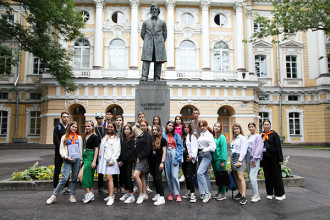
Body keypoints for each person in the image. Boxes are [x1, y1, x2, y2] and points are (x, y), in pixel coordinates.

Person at [47, 122, 83, 205]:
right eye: (73, 127)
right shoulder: (64, 137)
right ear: (70, 127)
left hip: (76, 159)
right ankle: (54, 196)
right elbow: (62, 148)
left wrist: (81, 160)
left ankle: (72, 195)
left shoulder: (79, 138)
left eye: (76, 127)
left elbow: (80, 148)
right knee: (64, 178)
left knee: (74, 178)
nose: (74, 128)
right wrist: (65, 156)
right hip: (67, 159)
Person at [140, 4, 167, 81]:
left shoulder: (162, 22)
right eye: (152, 9)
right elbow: (142, 34)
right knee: (146, 60)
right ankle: (144, 76)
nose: (154, 10)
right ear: (150, 11)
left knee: (158, 61)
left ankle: (157, 77)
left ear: (158, 11)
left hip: (159, 44)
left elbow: (165, 34)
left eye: (156, 9)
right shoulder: (145, 22)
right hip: (148, 44)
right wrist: (148, 41)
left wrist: (160, 42)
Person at [261, 119, 286, 201]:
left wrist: (280, 159)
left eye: (267, 124)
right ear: (263, 126)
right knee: (267, 176)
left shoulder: (274, 134)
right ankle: (270, 193)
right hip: (265, 159)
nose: (266, 126)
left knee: (276, 176)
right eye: (265, 124)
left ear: (270, 125)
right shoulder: (262, 135)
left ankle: (280, 193)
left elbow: (279, 147)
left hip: (274, 158)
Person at [98, 122, 121, 206]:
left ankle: (111, 197)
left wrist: (112, 160)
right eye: (108, 127)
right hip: (104, 158)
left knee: (109, 177)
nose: (109, 128)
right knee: (107, 178)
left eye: (111, 127)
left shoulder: (116, 138)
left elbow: (117, 150)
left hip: (111, 159)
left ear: (114, 128)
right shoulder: (105, 136)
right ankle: (110, 194)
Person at [78, 120, 99, 204]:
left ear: (92, 127)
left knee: (80, 176)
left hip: (90, 156)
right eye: (86, 126)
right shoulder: (85, 136)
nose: (87, 127)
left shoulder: (95, 136)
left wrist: (94, 161)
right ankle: (91, 194)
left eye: (89, 126)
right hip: (85, 156)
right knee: (89, 176)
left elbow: (96, 149)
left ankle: (88, 193)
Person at [132, 112, 153, 194]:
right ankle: (144, 194)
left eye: (144, 125)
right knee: (142, 176)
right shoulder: (142, 134)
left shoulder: (147, 135)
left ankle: (140, 194)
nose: (142, 127)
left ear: (147, 127)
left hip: (143, 159)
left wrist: (139, 157)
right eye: (141, 126)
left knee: (135, 175)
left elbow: (147, 149)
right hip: (139, 157)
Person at [163, 120, 183, 202]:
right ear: (166, 126)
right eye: (169, 125)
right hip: (166, 153)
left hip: (174, 153)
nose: (170, 127)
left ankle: (177, 193)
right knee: (168, 175)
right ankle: (170, 192)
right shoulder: (163, 135)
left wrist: (177, 159)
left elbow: (180, 148)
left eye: (172, 126)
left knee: (174, 176)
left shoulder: (177, 135)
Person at [197, 120, 216, 203]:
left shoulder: (209, 135)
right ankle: (204, 193)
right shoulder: (202, 134)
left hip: (206, 155)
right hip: (200, 154)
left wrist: (205, 149)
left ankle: (207, 193)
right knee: (205, 175)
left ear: (206, 125)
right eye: (200, 126)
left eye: (203, 125)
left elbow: (213, 147)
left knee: (199, 173)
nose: (202, 127)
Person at [118, 124, 136, 204]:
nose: (126, 131)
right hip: (122, 161)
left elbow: (130, 151)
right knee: (124, 178)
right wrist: (120, 159)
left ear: (130, 130)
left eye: (128, 129)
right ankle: (127, 192)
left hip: (128, 161)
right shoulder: (123, 139)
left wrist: (123, 159)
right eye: (125, 129)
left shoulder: (132, 139)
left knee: (128, 178)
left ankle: (132, 195)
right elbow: (121, 150)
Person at [230, 123, 248, 205]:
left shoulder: (243, 138)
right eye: (234, 129)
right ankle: (240, 193)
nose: (235, 130)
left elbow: (243, 150)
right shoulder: (234, 138)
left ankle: (244, 196)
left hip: (239, 158)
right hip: (233, 158)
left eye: (237, 128)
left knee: (241, 177)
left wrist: (240, 160)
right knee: (236, 177)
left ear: (240, 129)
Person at [246, 122, 264, 203]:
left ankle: (256, 195)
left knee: (252, 177)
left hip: (255, 159)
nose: (251, 128)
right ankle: (254, 194)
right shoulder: (249, 136)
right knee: (251, 177)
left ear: (255, 127)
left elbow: (259, 149)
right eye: (249, 127)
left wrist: (254, 159)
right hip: (248, 158)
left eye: (252, 127)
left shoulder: (258, 136)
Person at [150, 125, 167, 205]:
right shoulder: (152, 139)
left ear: (159, 130)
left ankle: (162, 197)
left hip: (159, 161)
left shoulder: (163, 140)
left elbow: (164, 152)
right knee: (154, 178)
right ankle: (158, 193)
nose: (154, 131)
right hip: (152, 161)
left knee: (158, 178)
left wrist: (162, 162)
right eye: (153, 130)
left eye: (156, 130)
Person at [53, 111, 70, 193]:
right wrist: (62, 149)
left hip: (68, 152)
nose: (65, 118)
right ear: (61, 118)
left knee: (66, 169)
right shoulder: (57, 127)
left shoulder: (69, 127)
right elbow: (56, 141)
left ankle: (66, 187)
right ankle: (55, 187)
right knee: (57, 169)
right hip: (59, 152)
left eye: (67, 117)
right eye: (64, 117)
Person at [181, 123, 198, 203]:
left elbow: (195, 148)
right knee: (186, 175)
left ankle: (192, 194)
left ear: (190, 128)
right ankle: (188, 192)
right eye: (185, 127)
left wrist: (192, 157)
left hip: (190, 158)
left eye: (188, 127)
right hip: (184, 159)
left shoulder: (192, 137)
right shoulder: (183, 137)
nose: (186, 129)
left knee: (190, 176)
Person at [212, 122, 228, 201]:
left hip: (220, 159)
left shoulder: (222, 137)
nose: (216, 127)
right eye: (215, 126)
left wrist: (223, 160)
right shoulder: (214, 137)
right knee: (217, 176)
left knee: (222, 176)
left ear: (220, 128)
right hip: (214, 160)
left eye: (218, 126)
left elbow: (224, 149)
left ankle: (223, 193)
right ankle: (219, 191)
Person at [94, 113, 107, 194]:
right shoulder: (94, 129)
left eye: (101, 118)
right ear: (96, 119)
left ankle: (101, 187)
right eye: (98, 118)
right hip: (95, 150)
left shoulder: (105, 129)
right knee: (94, 169)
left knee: (101, 169)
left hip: (103, 151)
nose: (100, 120)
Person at [113, 115, 124, 193]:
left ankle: (122, 186)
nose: (118, 121)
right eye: (117, 120)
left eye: (120, 120)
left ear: (122, 121)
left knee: (121, 171)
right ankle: (115, 186)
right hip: (114, 152)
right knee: (114, 171)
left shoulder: (124, 130)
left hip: (122, 152)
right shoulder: (113, 130)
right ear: (115, 121)